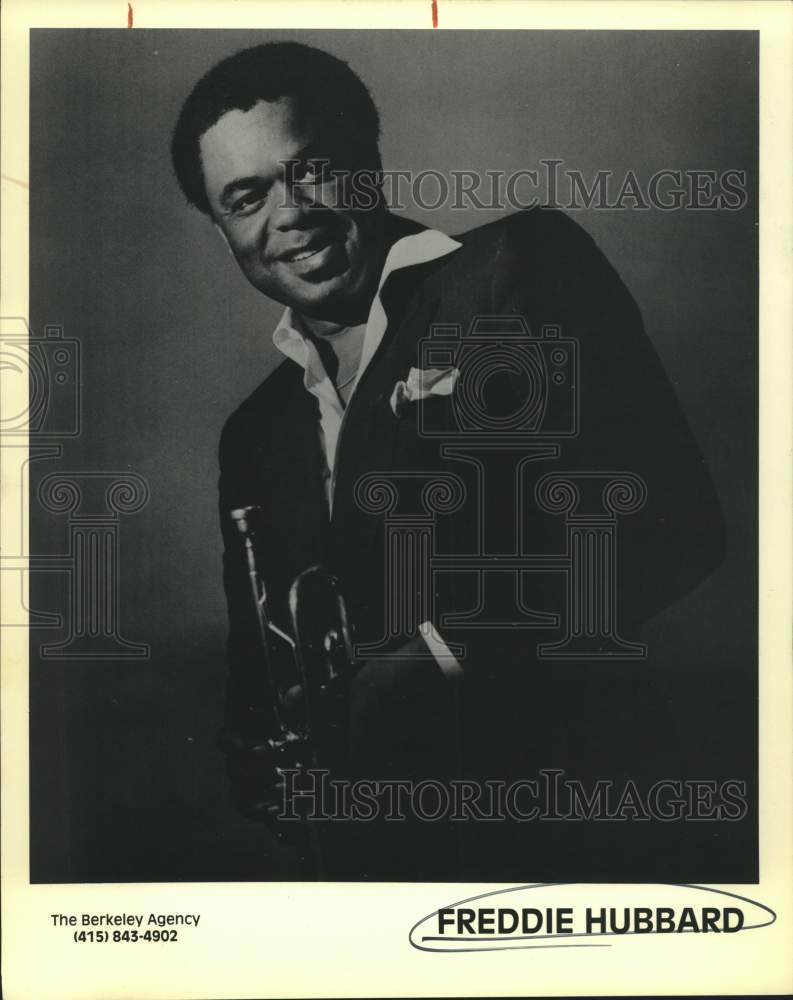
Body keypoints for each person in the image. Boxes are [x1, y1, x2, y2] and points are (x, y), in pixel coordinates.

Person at [171, 41, 725, 880]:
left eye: (313, 170)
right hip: (388, 872)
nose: (289, 215)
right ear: (222, 231)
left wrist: (437, 653)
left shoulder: (515, 270)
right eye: (245, 197)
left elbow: (674, 528)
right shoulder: (255, 435)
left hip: (584, 839)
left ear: (370, 163)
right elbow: (264, 689)